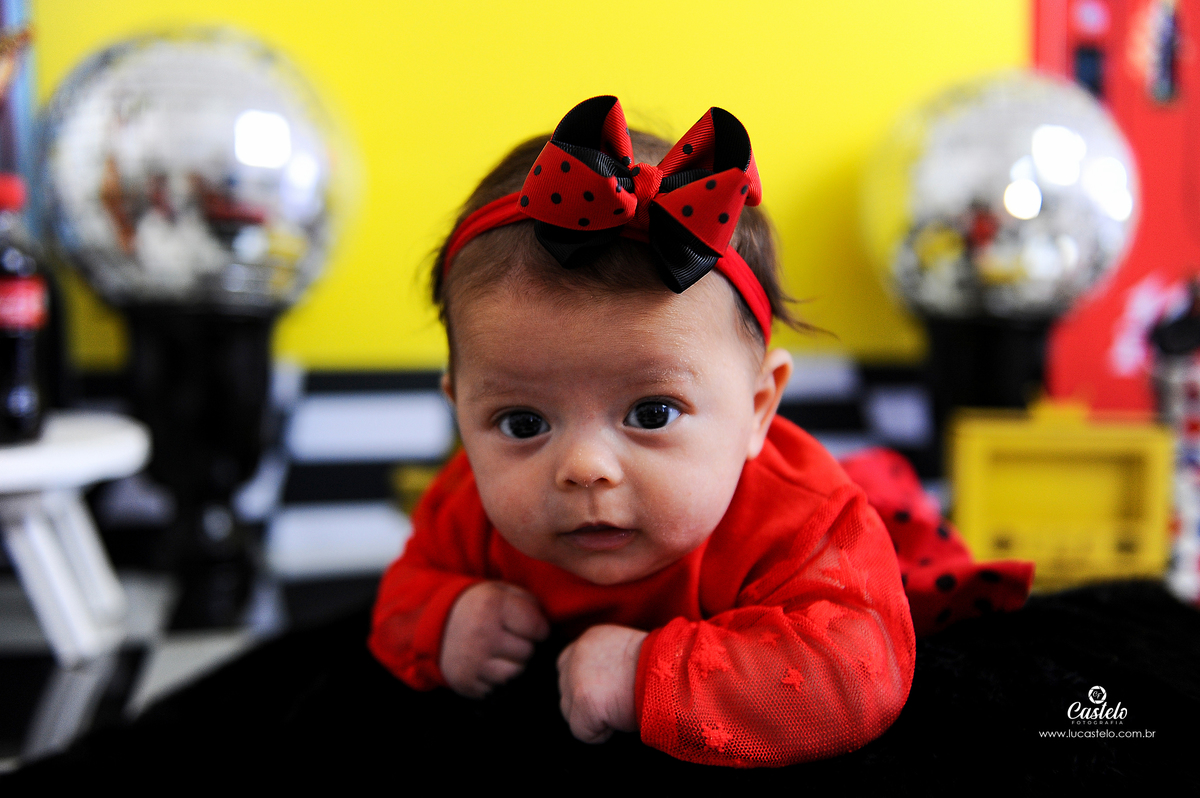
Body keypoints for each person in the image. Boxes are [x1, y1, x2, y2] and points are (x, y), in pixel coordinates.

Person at [369, 95, 916, 767]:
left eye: (653, 413)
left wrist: (647, 673)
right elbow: (400, 594)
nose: (585, 467)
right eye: (522, 423)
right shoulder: (465, 505)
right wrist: (446, 620)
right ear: (460, 411)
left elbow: (856, 674)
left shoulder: (802, 524)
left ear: (759, 408)